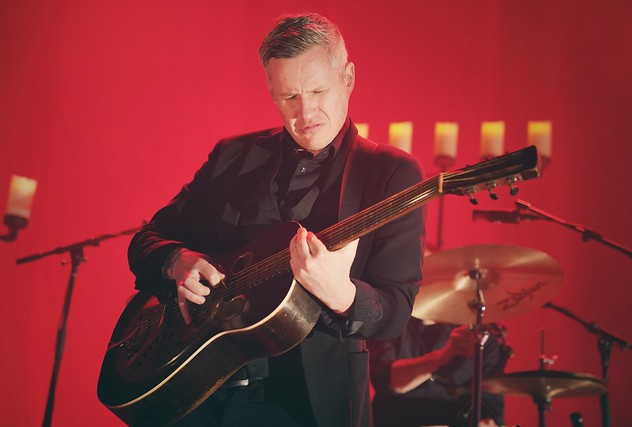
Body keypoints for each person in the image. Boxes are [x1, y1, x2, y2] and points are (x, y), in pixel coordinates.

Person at [127, 12, 425, 427]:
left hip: (308, 406)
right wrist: (178, 261)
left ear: (348, 78)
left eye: (318, 90)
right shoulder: (232, 156)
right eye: (289, 97)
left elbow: (395, 310)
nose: (305, 112)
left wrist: (340, 293)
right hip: (198, 394)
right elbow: (148, 239)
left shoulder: (389, 173)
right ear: (270, 91)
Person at [368, 317, 511, 427]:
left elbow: (491, 407)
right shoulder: (392, 318)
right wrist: (443, 357)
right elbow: (384, 380)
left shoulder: (481, 338)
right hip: (394, 419)